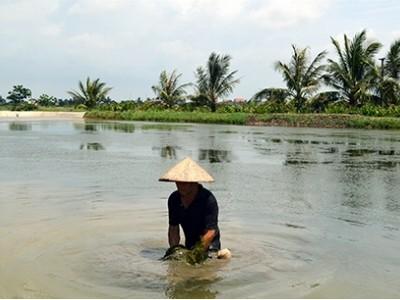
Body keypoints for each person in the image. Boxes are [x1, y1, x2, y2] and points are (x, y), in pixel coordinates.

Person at [159, 157, 231, 263]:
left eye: (185, 182)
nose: (180, 185)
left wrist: (197, 252)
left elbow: (211, 232)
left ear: (194, 183)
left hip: (209, 247)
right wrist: (174, 250)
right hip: (189, 246)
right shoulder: (174, 199)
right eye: (178, 182)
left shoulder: (208, 199)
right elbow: (173, 228)